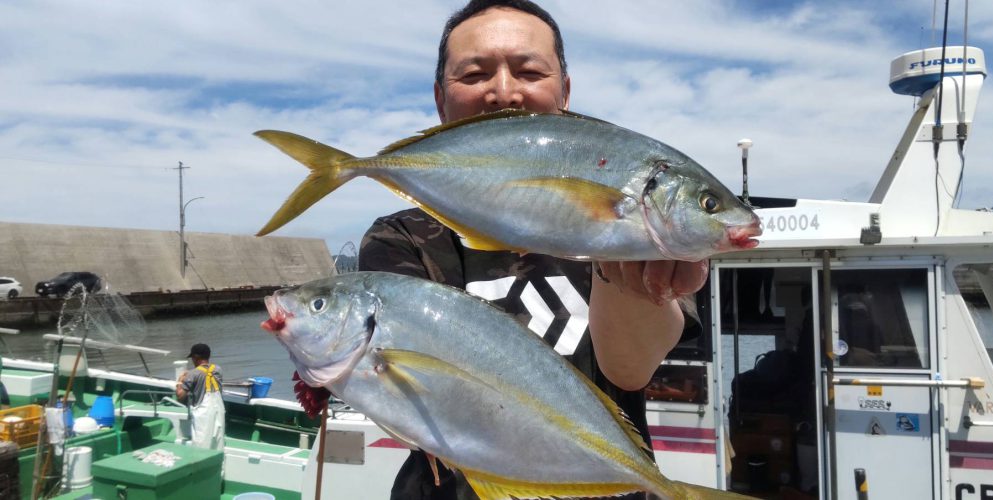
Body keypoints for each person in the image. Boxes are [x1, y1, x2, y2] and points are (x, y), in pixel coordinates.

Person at [295, 1, 708, 498]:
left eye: (530, 71)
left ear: (565, 92)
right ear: (440, 100)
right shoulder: (400, 238)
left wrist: (626, 264)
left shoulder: (625, 224)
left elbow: (630, 369)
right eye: (474, 75)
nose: (504, 92)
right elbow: (409, 393)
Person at [176, 343, 226, 450]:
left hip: (203, 413)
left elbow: (180, 396)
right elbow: (206, 374)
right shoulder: (218, 369)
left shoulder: (192, 374)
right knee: (218, 442)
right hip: (219, 410)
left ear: (196, 357)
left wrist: (180, 380)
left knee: (201, 444)